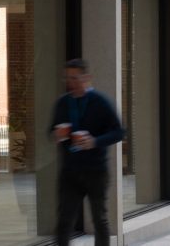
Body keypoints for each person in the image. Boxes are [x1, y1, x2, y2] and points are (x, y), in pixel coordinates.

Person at [49, 59, 125, 246]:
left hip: (95, 171)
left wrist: (95, 142)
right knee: (64, 220)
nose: (70, 83)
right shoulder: (63, 103)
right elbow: (51, 131)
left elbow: (119, 132)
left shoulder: (100, 102)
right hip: (70, 171)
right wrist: (56, 134)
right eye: (67, 78)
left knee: (99, 219)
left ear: (86, 77)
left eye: (75, 78)